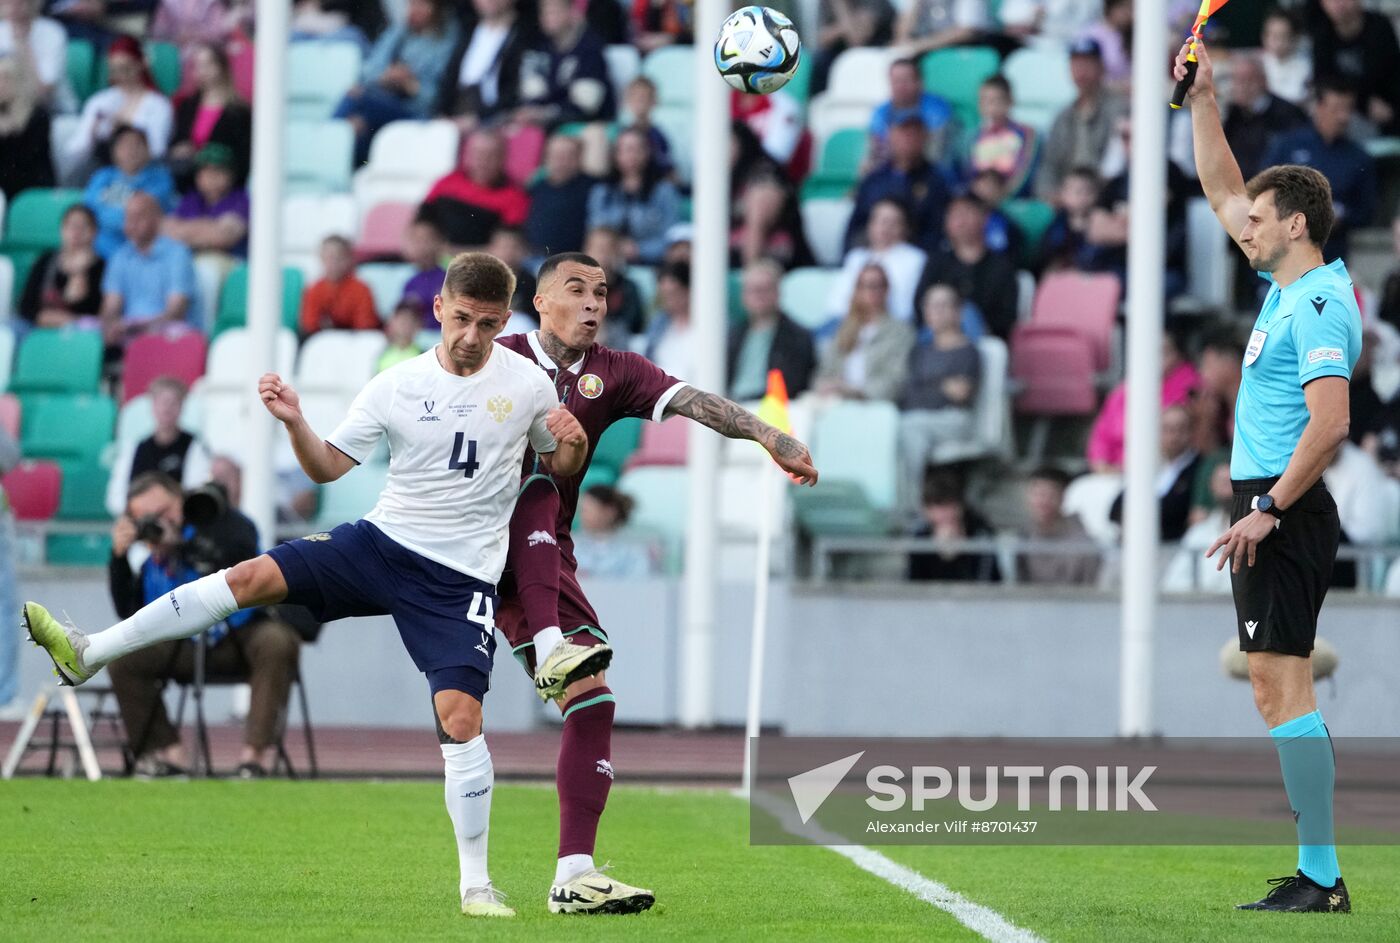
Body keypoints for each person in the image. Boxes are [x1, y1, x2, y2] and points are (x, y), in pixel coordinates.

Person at [26, 251, 589, 919]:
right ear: (439, 308)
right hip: (383, 544)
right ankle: (87, 652)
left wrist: (573, 439)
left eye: (488, 325)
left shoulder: (527, 384)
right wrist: (296, 421)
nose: (471, 337)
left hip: (460, 575)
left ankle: (475, 887)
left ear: (504, 322)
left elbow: (559, 466)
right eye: (462, 319)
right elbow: (325, 468)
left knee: (460, 717)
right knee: (250, 575)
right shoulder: (395, 384)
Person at [492, 250, 817, 913]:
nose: (592, 303)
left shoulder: (615, 372)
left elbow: (693, 401)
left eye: (602, 293)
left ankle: (574, 873)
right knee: (464, 710)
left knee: (591, 697)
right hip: (466, 544)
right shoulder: (498, 356)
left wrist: (767, 435)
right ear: (541, 301)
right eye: (575, 289)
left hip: (541, 553)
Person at [1177, 37, 1362, 913]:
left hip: (1283, 507)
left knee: (1280, 681)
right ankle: (1317, 870)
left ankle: (1322, 877)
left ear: (1295, 223)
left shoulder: (1320, 299)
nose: (1238, 224)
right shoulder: (1283, 288)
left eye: (1256, 219)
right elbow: (1219, 186)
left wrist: (1269, 509)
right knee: (1270, 682)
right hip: (1266, 503)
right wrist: (1202, 99)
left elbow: (1333, 422)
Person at [104, 472, 302, 778]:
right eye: (146, 519)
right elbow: (128, 613)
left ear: (181, 499)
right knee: (122, 658)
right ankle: (167, 754)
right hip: (183, 642)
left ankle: (254, 758)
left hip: (240, 633)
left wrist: (180, 545)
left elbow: (240, 553)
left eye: (163, 513)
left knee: (276, 641)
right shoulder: (152, 564)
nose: (158, 523)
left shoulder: (219, 519)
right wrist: (118, 558)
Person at [1262, 79, 1376, 262]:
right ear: (1319, 107)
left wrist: (1341, 217)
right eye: (1336, 109)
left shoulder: (1358, 157)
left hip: (1332, 252)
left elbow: (1366, 210)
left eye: (1348, 109)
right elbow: (1263, 189)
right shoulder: (1288, 145)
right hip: (1285, 247)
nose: (1343, 117)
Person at [334, 0, 459, 164]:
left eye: (422, 5)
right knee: (358, 121)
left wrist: (409, 84)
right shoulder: (401, 31)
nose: (416, 10)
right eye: (412, 4)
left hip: (417, 111)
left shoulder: (447, 42)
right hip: (384, 102)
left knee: (358, 99)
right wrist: (387, 76)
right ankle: (336, 156)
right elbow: (368, 70)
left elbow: (433, 99)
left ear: (437, 8)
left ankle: (327, 142)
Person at [896, 282, 979, 512]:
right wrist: (941, 385)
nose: (937, 312)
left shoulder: (968, 351)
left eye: (944, 305)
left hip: (955, 419)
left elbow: (960, 394)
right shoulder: (921, 351)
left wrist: (927, 387)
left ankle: (912, 507)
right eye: (932, 306)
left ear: (957, 311)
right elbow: (909, 392)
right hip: (919, 416)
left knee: (911, 428)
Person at [64, 36, 173, 180]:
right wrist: (92, 133)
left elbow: (158, 150)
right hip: (102, 167)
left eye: (126, 69)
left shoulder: (159, 105)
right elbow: (76, 149)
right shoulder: (99, 102)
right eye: (115, 70)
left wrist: (126, 128)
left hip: (143, 172)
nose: (121, 76)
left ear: (141, 64)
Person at [1087, 333, 1199, 473]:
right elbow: (1101, 436)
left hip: (1164, 468)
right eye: (1150, 351)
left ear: (1178, 355)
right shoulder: (1122, 392)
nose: (1157, 357)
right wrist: (1102, 465)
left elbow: (1175, 437)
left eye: (1165, 351)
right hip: (1114, 470)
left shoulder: (1191, 388)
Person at [104, 375, 213, 517]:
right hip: (139, 520)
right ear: (153, 406)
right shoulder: (135, 448)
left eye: (173, 403)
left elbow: (196, 490)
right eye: (162, 402)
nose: (167, 408)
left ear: (182, 406)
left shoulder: (195, 447)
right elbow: (116, 498)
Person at [99, 192, 199, 345]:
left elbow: (176, 310)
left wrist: (141, 328)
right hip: (128, 330)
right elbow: (111, 306)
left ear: (157, 219)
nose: (132, 223)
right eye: (128, 217)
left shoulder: (177, 253)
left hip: (164, 332)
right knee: (86, 329)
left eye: (139, 217)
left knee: (175, 331)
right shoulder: (120, 256)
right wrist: (111, 325)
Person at [916, 194, 1019, 341]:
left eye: (966, 213)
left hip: (984, 341)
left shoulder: (1001, 266)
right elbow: (920, 302)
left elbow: (1007, 316)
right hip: (936, 339)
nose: (960, 221)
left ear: (984, 218)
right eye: (954, 215)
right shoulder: (936, 263)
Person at [845, 112, 951, 252]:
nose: (908, 139)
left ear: (925, 137)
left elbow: (938, 232)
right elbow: (855, 227)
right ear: (890, 136)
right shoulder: (874, 180)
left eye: (914, 133)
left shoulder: (937, 181)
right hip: (873, 259)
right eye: (903, 132)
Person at [1035, 37, 1124, 202]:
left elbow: (1117, 163)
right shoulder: (1062, 117)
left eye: (1088, 63)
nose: (1081, 70)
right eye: (1076, 64)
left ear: (1101, 67)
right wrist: (1052, 195)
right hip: (1067, 198)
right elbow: (1048, 165)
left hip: (1105, 195)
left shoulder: (1118, 109)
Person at [815, 262, 915, 402]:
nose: (870, 291)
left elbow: (896, 379)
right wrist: (824, 386)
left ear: (886, 289)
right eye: (864, 285)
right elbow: (824, 370)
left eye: (876, 285)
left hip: (874, 404)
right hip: (836, 400)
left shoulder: (900, 332)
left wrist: (856, 391)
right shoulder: (844, 329)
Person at [586, 126, 681, 266]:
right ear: (615, 154)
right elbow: (594, 232)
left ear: (647, 153)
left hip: (653, 267)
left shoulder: (664, 191)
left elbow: (672, 237)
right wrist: (615, 247)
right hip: (608, 267)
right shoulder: (601, 192)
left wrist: (639, 250)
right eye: (625, 149)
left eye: (636, 149)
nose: (631, 155)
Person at [421, 128, 531, 250]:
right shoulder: (446, 183)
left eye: (491, 156)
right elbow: (419, 227)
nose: (483, 161)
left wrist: (452, 255)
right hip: (435, 261)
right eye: (478, 154)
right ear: (467, 155)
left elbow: (505, 249)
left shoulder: (515, 197)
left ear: (503, 158)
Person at [513, 0, 614, 129]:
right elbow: (531, 95)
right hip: (545, 124)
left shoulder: (590, 50)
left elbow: (586, 106)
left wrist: (545, 113)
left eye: (554, 12)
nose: (548, 18)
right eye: (545, 13)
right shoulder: (539, 50)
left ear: (572, 13)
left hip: (586, 125)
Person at [726, 259, 817, 401]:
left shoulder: (798, 337)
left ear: (777, 292)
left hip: (772, 408)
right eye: (753, 290)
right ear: (743, 295)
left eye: (764, 289)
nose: (758, 296)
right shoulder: (732, 336)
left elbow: (793, 385)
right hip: (730, 406)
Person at [1108, 403, 1200, 542]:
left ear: (1191, 432)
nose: (1173, 436)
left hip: (1174, 546)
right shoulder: (1151, 468)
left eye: (1180, 429)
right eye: (1167, 429)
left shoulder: (1198, 468)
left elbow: (1177, 513)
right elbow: (1115, 509)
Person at [435, 0, 531, 133]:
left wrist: (479, 118)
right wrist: (442, 113)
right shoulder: (468, 31)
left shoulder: (525, 35)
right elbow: (449, 79)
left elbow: (515, 90)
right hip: (457, 113)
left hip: (495, 117)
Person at [1307, 0, 1400, 136]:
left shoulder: (1379, 26)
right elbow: (1323, 79)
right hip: (1343, 105)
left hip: (1384, 106)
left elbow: (1391, 73)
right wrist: (1362, 102)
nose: (1338, 4)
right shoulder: (1322, 32)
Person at [167, 42, 252, 191]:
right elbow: (175, 142)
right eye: (197, 65)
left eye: (208, 64)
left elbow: (244, 156)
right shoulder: (187, 106)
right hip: (188, 185)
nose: (202, 70)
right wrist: (179, 150)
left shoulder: (240, 111)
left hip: (225, 188)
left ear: (222, 67)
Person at [83, 123, 176, 258]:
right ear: (114, 151)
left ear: (148, 150)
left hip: (144, 251)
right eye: (124, 145)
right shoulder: (103, 176)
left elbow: (141, 218)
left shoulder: (161, 178)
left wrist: (107, 210)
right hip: (101, 251)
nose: (131, 150)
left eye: (137, 145)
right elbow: (89, 210)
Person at [728, 121, 811, 270]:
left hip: (772, 264)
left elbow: (755, 230)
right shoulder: (726, 180)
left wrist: (749, 276)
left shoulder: (765, 176)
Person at [830, 198, 927, 324]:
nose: (885, 227)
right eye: (880, 221)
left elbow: (905, 308)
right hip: (849, 322)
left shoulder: (914, 258)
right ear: (870, 225)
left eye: (893, 222)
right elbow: (836, 303)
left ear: (904, 228)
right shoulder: (855, 257)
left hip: (891, 324)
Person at [1221, 54, 1306, 183]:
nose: (1239, 87)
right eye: (1235, 80)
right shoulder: (1233, 114)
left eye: (1246, 80)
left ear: (1263, 81)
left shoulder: (1287, 114)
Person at [19, 202, 104, 326]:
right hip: (36, 326)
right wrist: (48, 318)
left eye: (83, 227)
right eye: (71, 226)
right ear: (62, 230)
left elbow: (93, 315)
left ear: (94, 232)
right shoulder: (45, 260)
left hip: (78, 333)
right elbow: (26, 307)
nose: (76, 233)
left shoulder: (102, 267)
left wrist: (80, 273)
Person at [907, 472, 1000, 582]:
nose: (945, 514)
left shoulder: (981, 535)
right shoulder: (920, 539)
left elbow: (989, 581)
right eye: (938, 507)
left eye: (949, 506)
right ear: (927, 511)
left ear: (959, 507)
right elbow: (914, 584)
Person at [163, 142, 249, 259]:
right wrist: (208, 227)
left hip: (232, 264)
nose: (212, 177)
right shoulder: (193, 198)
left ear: (231, 175)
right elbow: (165, 230)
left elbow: (222, 237)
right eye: (206, 171)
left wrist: (186, 230)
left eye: (218, 171)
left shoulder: (241, 199)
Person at [1018, 466, 1099, 586]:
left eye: (1050, 494)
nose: (1042, 501)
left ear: (1064, 497)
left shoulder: (1083, 543)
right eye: (1037, 494)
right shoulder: (1022, 537)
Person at [1162, 461, 1235, 594]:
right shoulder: (1198, 533)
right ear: (1212, 487)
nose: (1226, 488)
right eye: (1221, 482)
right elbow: (1172, 582)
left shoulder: (1255, 532)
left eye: (1230, 481)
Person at [868, 57, 955, 165]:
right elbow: (874, 154)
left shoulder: (937, 109)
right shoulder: (880, 113)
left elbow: (937, 154)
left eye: (906, 80)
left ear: (919, 82)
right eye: (896, 81)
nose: (901, 86)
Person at [963, 75, 1037, 199]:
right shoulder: (971, 138)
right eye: (984, 101)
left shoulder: (1027, 135)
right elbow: (966, 173)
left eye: (996, 100)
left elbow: (1025, 172)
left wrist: (1004, 194)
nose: (991, 108)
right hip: (977, 201)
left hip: (1011, 200)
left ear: (1010, 101)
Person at [525, 133, 595, 257]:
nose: (561, 162)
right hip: (535, 259)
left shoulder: (592, 189)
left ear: (579, 158)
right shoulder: (536, 188)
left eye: (568, 156)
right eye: (556, 156)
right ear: (546, 158)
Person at [0, 0, 74, 113]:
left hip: (54, 112)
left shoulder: (52, 33)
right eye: (7, 3)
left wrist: (22, 44)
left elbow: (42, 93)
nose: (12, 9)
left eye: (19, 3)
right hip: (7, 112)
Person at [810, 0, 895, 96]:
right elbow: (822, 39)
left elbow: (857, 39)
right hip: (840, 51)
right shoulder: (826, 3)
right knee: (820, 60)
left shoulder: (874, 2)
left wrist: (840, 7)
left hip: (873, 51)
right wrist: (848, 25)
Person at [299, 235, 379, 335]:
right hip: (322, 341)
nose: (333, 263)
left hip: (355, 341)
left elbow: (366, 325)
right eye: (328, 258)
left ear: (350, 259)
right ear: (321, 258)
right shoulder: (314, 289)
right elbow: (309, 325)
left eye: (339, 258)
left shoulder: (361, 289)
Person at [571, 484, 656, 578]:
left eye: (587, 511)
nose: (582, 516)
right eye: (582, 511)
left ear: (609, 511)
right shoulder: (572, 544)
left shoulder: (634, 548)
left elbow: (640, 581)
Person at [0, 52, 54, 199]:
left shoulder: (38, 115)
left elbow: (27, 160)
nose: (1, 85)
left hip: (31, 187)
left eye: (6, 78)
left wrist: (10, 133)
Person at [582, 226, 645, 345]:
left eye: (608, 250)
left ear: (617, 253)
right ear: (587, 251)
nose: (603, 256)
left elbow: (632, 326)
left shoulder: (628, 288)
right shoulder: (574, 288)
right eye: (598, 249)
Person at [1036, 166, 1100, 274]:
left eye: (1087, 192)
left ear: (1096, 195)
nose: (1082, 197)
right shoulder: (1057, 224)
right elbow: (1046, 254)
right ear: (1063, 194)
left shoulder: (1100, 223)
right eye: (1076, 191)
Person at [641, 260, 690, 380]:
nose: (668, 300)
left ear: (688, 290)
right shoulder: (658, 323)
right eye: (664, 294)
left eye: (673, 293)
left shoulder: (709, 325)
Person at [894, 0, 989, 58]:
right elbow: (901, 36)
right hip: (924, 51)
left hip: (959, 52)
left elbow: (967, 32)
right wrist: (915, 4)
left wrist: (918, 46)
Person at [399, 215, 448, 324]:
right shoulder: (409, 282)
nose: (422, 246)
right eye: (417, 240)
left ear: (440, 243)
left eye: (427, 240)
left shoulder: (450, 279)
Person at [618, 75, 671, 176]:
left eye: (644, 98)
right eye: (635, 97)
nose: (640, 103)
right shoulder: (621, 133)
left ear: (654, 101)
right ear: (628, 100)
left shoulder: (658, 136)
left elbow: (666, 167)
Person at [1260, 8, 1310, 107]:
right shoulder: (1259, 64)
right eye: (1273, 36)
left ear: (1295, 38)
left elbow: (1297, 96)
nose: (1278, 43)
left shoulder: (1304, 67)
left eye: (1283, 37)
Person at [378, 302, 424, 372]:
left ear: (417, 325)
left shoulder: (423, 356)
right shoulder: (382, 356)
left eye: (409, 320)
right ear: (392, 322)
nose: (404, 325)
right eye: (401, 320)